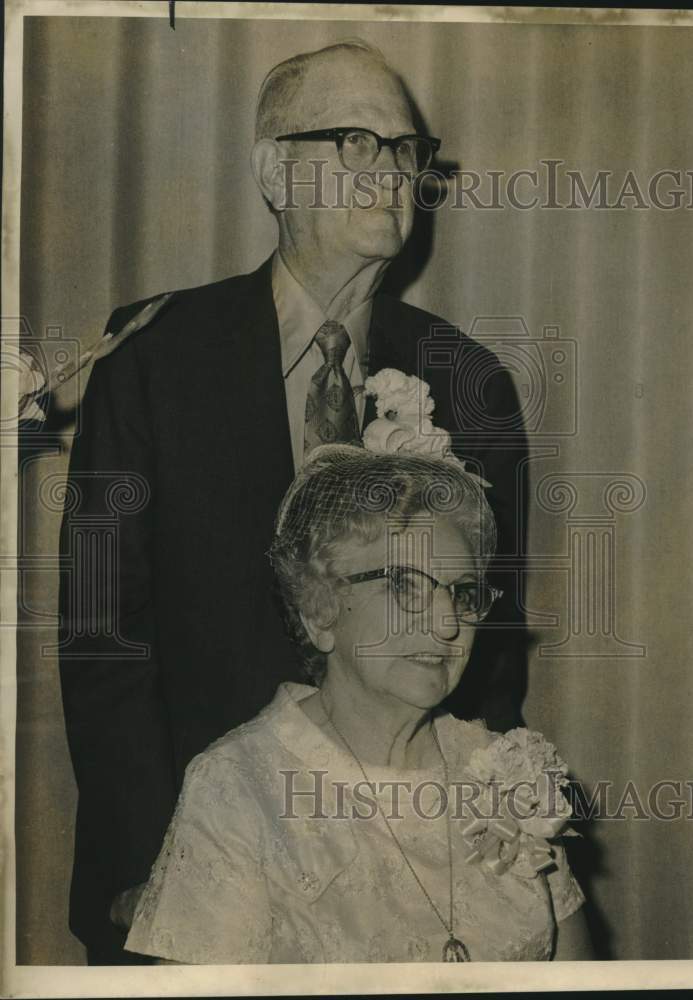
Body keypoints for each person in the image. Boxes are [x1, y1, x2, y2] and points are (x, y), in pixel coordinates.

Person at [58, 39, 525, 964]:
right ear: (275, 171)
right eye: (355, 142)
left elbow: (491, 640)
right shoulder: (155, 356)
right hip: (190, 855)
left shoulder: (468, 380)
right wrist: (155, 855)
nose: (389, 171)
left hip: (401, 864)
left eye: (405, 150)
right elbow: (102, 627)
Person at [123, 401, 590, 963]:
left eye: (462, 593)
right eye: (404, 586)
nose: (447, 623)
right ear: (321, 611)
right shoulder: (239, 788)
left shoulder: (506, 771)